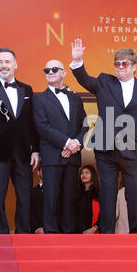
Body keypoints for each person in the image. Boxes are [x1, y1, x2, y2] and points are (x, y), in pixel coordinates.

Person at [70, 38, 137, 234]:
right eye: (117, 64)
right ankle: (106, 232)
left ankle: (136, 231)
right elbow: (85, 80)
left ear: (134, 66)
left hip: (133, 149)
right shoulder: (105, 81)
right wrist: (78, 62)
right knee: (108, 191)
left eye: (124, 64)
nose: (120, 67)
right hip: (106, 149)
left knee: (134, 191)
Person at [0, 47, 39, 234]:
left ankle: (22, 233)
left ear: (15, 65)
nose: (3, 66)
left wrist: (36, 149)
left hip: (23, 153)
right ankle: (1, 234)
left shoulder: (27, 89)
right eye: (0, 62)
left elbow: (31, 123)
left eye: (7, 62)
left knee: (25, 195)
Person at [33, 59, 87, 233]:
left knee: (70, 199)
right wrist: (67, 142)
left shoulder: (75, 98)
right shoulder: (39, 98)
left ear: (64, 73)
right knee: (50, 199)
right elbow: (42, 126)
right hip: (51, 157)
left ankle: (69, 237)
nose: (50, 72)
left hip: (72, 157)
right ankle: (51, 236)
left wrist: (76, 143)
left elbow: (84, 124)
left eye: (54, 69)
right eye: (46, 69)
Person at [75, 165, 100, 234]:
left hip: (94, 231)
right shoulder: (76, 194)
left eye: (87, 172)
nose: (84, 175)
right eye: (82, 173)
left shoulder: (99, 194)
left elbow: (103, 215)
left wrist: (94, 228)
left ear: (93, 175)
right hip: (78, 233)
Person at [29, 166, 44, 234]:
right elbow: (30, 212)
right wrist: (36, 227)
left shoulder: (58, 191)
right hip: (36, 232)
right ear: (38, 172)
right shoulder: (32, 192)